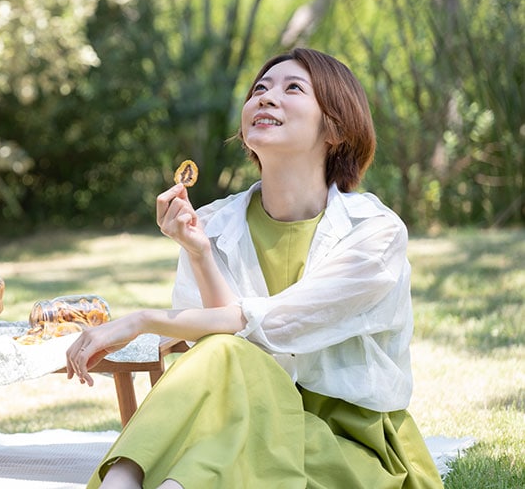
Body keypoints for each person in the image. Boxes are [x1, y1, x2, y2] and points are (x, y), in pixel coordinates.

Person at [65, 48, 444, 488]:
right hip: (243, 418)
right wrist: (201, 254)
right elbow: (221, 349)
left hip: (345, 444)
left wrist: (144, 321)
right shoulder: (209, 225)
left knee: (213, 412)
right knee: (217, 363)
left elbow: (268, 325)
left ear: (335, 127)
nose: (265, 98)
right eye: (259, 89)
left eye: (293, 88)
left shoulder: (374, 234)